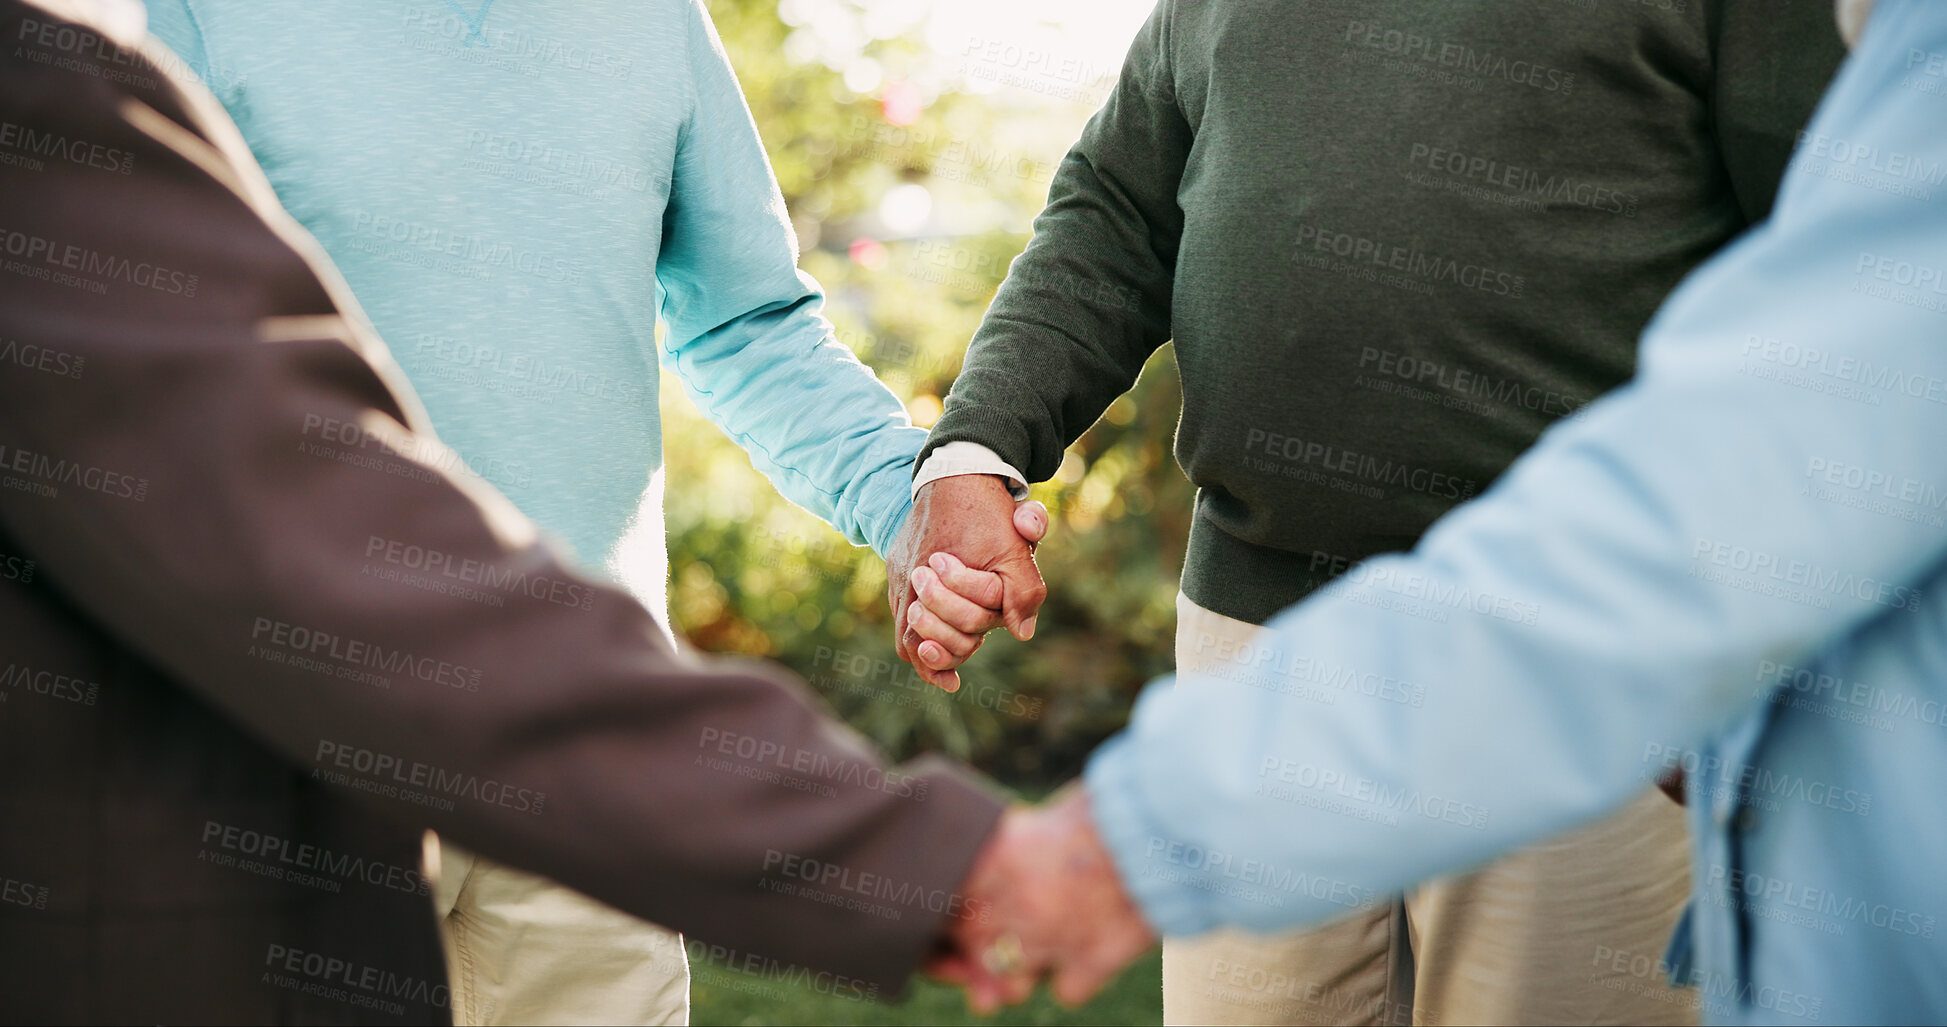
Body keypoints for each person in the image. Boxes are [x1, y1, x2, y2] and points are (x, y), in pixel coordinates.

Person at [0, 2, 1109, 1019]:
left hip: (602, 763)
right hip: (303, 760)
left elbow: (746, 325)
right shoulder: (162, 17)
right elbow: (200, 425)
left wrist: (905, 500)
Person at [949, 0, 1947, 1022]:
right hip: (1263, 629)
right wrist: (977, 445)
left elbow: (1808, 365)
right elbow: (1120, 203)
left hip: (1590, 673)